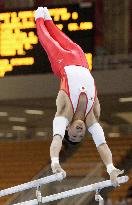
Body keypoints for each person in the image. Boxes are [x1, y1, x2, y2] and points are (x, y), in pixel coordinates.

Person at [35, 7, 124, 186]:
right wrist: (111, 168)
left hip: (62, 64)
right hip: (82, 61)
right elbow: (102, 144)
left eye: (73, 135)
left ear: (67, 129)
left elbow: (56, 139)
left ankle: (38, 18)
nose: (79, 133)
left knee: (47, 40)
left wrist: (55, 162)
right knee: (60, 35)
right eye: (80, 136)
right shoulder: (92, 117)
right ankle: (49, 19)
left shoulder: (64, 113)